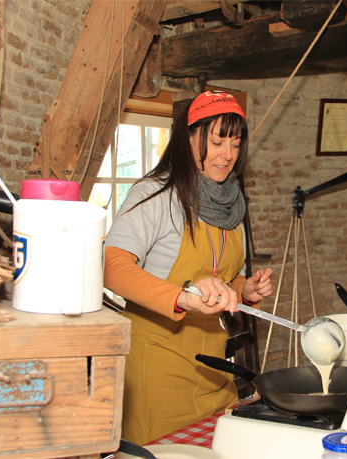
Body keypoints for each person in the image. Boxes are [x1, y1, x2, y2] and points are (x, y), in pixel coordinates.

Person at [103, 90, 274, 445]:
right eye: (216, 142)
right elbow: (112, 267)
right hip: (158, 370)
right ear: (189, 138)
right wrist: (182, 297)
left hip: (213, 367)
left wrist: (244, 290)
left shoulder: (231, 204)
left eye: (236, 143)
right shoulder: (154, 194)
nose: (228, 155)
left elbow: (225, 276)